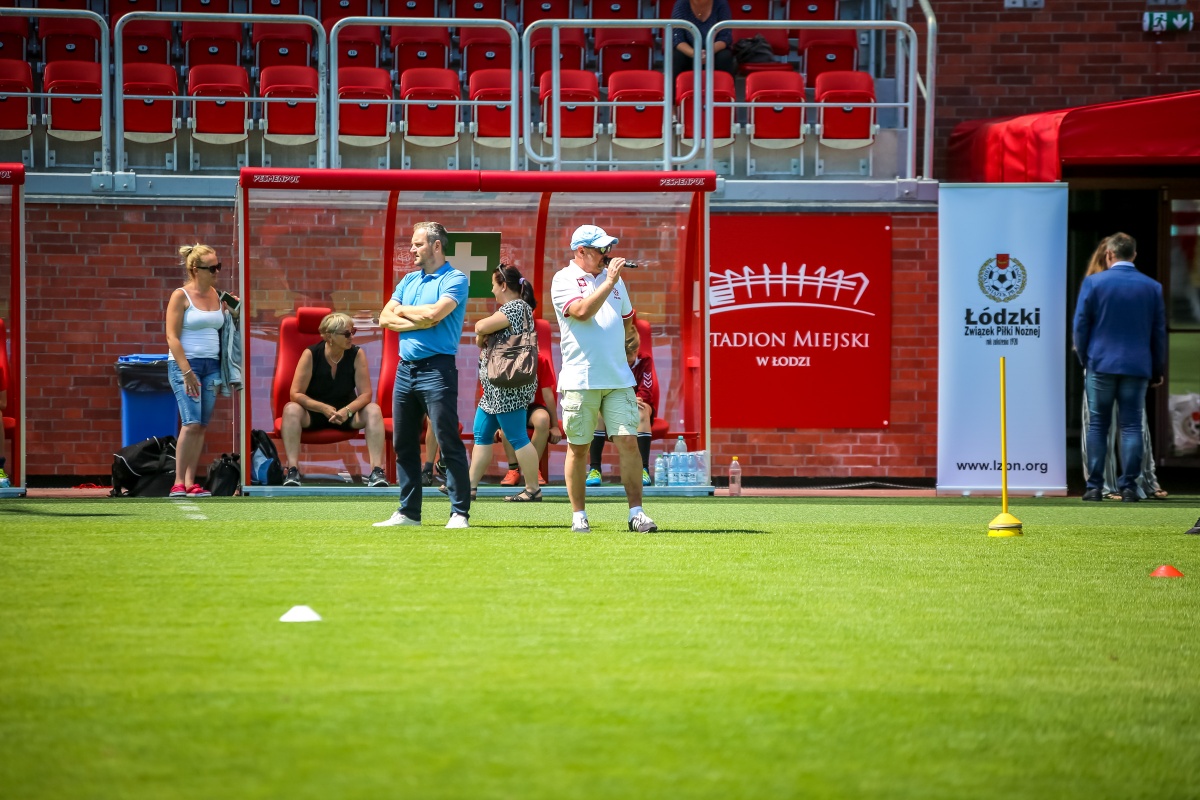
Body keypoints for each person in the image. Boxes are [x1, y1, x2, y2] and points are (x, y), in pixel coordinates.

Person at [552, 224, 657, 533]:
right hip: (580, 379)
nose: (607, 254)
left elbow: (627, 320)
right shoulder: (563, 278)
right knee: (579, 448)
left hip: (618, 378)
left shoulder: (615, 280)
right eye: (601, 249)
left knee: (629, 442)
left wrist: (626, 341)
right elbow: (581, 311)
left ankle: (637, 513)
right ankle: (579, 516)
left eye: (608, 248)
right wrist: (609, 280)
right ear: (581, 251)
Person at [374, 221, 471, 529]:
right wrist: (418, 318)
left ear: (436, 246)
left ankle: (459, 513)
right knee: (403, 444)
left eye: (417, 244)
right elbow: (384, 318)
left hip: (438, 370)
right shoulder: (408, 280)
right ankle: (409, 513)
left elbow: (434, 314)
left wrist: (404, 311)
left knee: (447, 440)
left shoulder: (456, 278)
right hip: (405, 371)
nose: (412, 249)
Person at [1073, 232, 1167, 503]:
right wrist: (1157, 368)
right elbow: (1158, 332)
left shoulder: (1094, 283)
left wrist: (1085, 359)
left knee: (1098, 425)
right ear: (1134, 254)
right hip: (1137, 365)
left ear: (1109, 254)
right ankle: (1129, 487)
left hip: (1100, 363)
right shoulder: (1152, 287)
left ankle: (1095, 486)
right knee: (1132, 426)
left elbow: (1081, 326)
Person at [279, 311, 388, 488]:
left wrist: (347, 411)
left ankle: (377, 471)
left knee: (374, 409)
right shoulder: (311, 354)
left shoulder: (357, 354)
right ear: (329, 336)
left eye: (353, 332)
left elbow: (366, 394)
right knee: (291, 408)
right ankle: (292, 470)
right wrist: (322, 408)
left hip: (347, 414)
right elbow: (296, 393)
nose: (351, 337)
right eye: (347, 334)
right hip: (315, 413)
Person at [464, 264, 544, 502]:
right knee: (481, 434)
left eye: (493, 285)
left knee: (518, 437)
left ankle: (532, 489)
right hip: (494, 390)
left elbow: (480, 328)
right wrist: (482, 333)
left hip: (508, 387)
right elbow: (479, 340)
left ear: (504, 286)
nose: (491, 290)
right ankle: (468, 487)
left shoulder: (516, 307)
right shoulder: (510, 310)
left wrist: (482, 331)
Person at [165, 243, 238, 498]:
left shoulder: (218, 296)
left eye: (219, 266)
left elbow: (232, 325)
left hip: (212, 366)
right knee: (191, 423)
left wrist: (234, 312)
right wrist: (187, 372)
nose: (217, 272)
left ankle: (190, 482)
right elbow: (172, 337)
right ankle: (177, 482)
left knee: (202, 425)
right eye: (212, 268)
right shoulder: (180, 296)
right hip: (186, 365)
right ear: (195, 269)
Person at [586, 327, 657, 487]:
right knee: (598, 414)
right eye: (626, 354)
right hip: (612, 404)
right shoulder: (609, 361)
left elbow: (646, 391)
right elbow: (603, 387)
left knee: (642, 411)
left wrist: (631, 400)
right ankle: (595, 469)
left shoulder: (645, 360)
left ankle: (643, 469)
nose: (630, 358)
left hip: (637, 403)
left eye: (633, 353)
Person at [497, 346, 560, 487]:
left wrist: (555, 426)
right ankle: (513, 469)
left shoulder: (540, 360)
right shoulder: (504, 360)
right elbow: (497, 392)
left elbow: (548, 394)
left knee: (542, 419)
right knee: (506, 423)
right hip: (510, 406)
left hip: (533, 407)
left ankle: (532, 469)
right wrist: (495, 424)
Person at [670, 0, 735, 78]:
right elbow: (677, 38)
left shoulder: (721, 3)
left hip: (714, 50)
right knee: (677, 57)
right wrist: (694, 54)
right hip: (689, 51)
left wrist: (708, 52)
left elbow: (725, 36)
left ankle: (725, 85)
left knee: (725, 56)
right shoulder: (681, 4)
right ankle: (675, 86)